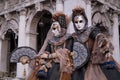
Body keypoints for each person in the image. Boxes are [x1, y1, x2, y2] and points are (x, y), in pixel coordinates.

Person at [71, 7, 120, 80]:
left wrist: (103, 42)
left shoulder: (91, 31)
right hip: (77, 66)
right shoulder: (73, 36)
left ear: (85, 21)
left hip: (92, 64)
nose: (78, 24)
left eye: (81, 21)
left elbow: (98, 36)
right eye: (76, 22)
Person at [36, 12, 74, 80]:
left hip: (64, 65)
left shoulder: (69, 38)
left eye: (55, 29)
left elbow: (66, 51)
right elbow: (47, 51)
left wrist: (49, 56)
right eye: (52, 29)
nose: (53, 31)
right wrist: (43, 58)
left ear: (61, 28)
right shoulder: (52, 40)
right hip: (51, 64)